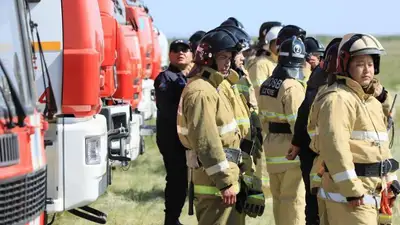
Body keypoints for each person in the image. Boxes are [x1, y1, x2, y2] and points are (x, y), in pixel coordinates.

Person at [308, 33, 399, 225]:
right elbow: (335, 148)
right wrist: (351, 189)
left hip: (375, 193)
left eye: (370, 64)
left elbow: (381, 148)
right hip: (350, 200)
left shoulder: (371, 102)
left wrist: (390, 179)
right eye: (359, 64)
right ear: (345, 66)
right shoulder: (338, 99)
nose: (367, 70)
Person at [176, 28, 243, 225]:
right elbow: (206, 142)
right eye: (223, 57)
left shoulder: (213, 87)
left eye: (230, 57)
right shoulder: (202, 92)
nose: (228, 62)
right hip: (215, 183)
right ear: (208, 58)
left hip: (222, 176)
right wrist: (224, 183)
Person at [289, 37, 342, 225]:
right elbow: (304, 113)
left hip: (315, 154)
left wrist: (296, 142)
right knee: (317, 207)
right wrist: (297, 142)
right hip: (314, 155)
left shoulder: (319, 79)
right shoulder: (322, 83)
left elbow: (303, 112)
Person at [258, 36, 307, 225]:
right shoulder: (292, 86)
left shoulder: (267, 85)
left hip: (272, 152)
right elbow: (299, 125)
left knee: (279, 202)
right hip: (291, 154)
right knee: (294, 203)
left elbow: (263, 121)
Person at [154, 39, 193, 225]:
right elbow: (167, 109)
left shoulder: (191, 77)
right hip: (172, 138)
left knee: (183, 178)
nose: (181, 53)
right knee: (177, 178)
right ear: (169, 55)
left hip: (185, 137)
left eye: (185, 49)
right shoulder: (165, 77)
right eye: (176, 50)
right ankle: (171, 219)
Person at [247, 21, 283, 102]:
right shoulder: (261, 65)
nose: (280, 46)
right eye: (277, 42)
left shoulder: (277, 63)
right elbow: (258, 94)